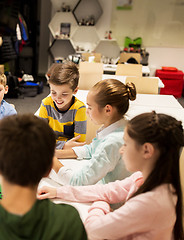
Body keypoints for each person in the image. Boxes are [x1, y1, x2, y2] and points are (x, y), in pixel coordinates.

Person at [38, 111, 184, 240]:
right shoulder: (145, 178)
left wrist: (100, 205)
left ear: (147, 150)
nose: (121, 150)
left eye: (126, 144)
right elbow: (109, 190)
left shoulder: (150, 202)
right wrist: (59, 192)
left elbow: (93, 230)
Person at [52, 79, 137, 186]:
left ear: (108, 110)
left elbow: (79, 182)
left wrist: (51, 162)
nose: (87, 111)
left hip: (114, 199)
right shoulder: (123, 126)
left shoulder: (112, 142)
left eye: (90, 107)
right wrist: (57, 153)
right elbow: (93, 148)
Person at [39, 62, 87, 150]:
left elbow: (79, 143)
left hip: (66, 154)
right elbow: (39, 137)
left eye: (64, 94)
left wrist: (53, 145)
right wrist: (63, 145)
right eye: (53, 92)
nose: (58, 98)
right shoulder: (46, 104)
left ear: (75, 90)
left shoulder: (79, 108)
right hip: (49, 150)